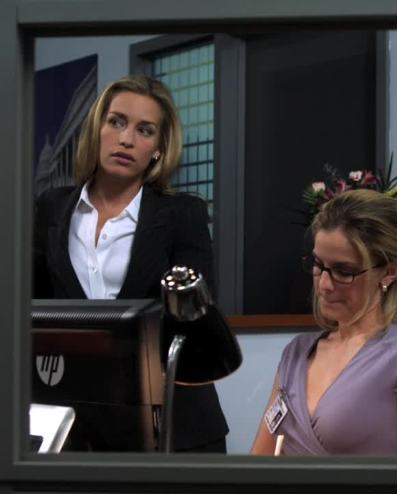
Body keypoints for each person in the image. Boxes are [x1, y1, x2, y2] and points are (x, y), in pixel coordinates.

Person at [33, 74, 229, 452]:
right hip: (79, 422)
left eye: (145, 130)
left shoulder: (182, 213)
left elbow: (199, 323)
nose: (126, 139)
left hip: (174, 424)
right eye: (117, 122)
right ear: (97, 130)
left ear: (158, 149)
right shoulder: (51, 208)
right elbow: (34, 313)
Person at [251, 189, 397, 456]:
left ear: (389, 273)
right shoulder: (297, 353)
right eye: (318, 265)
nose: (324, 285)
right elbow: (259, 462)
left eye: (344, 271)